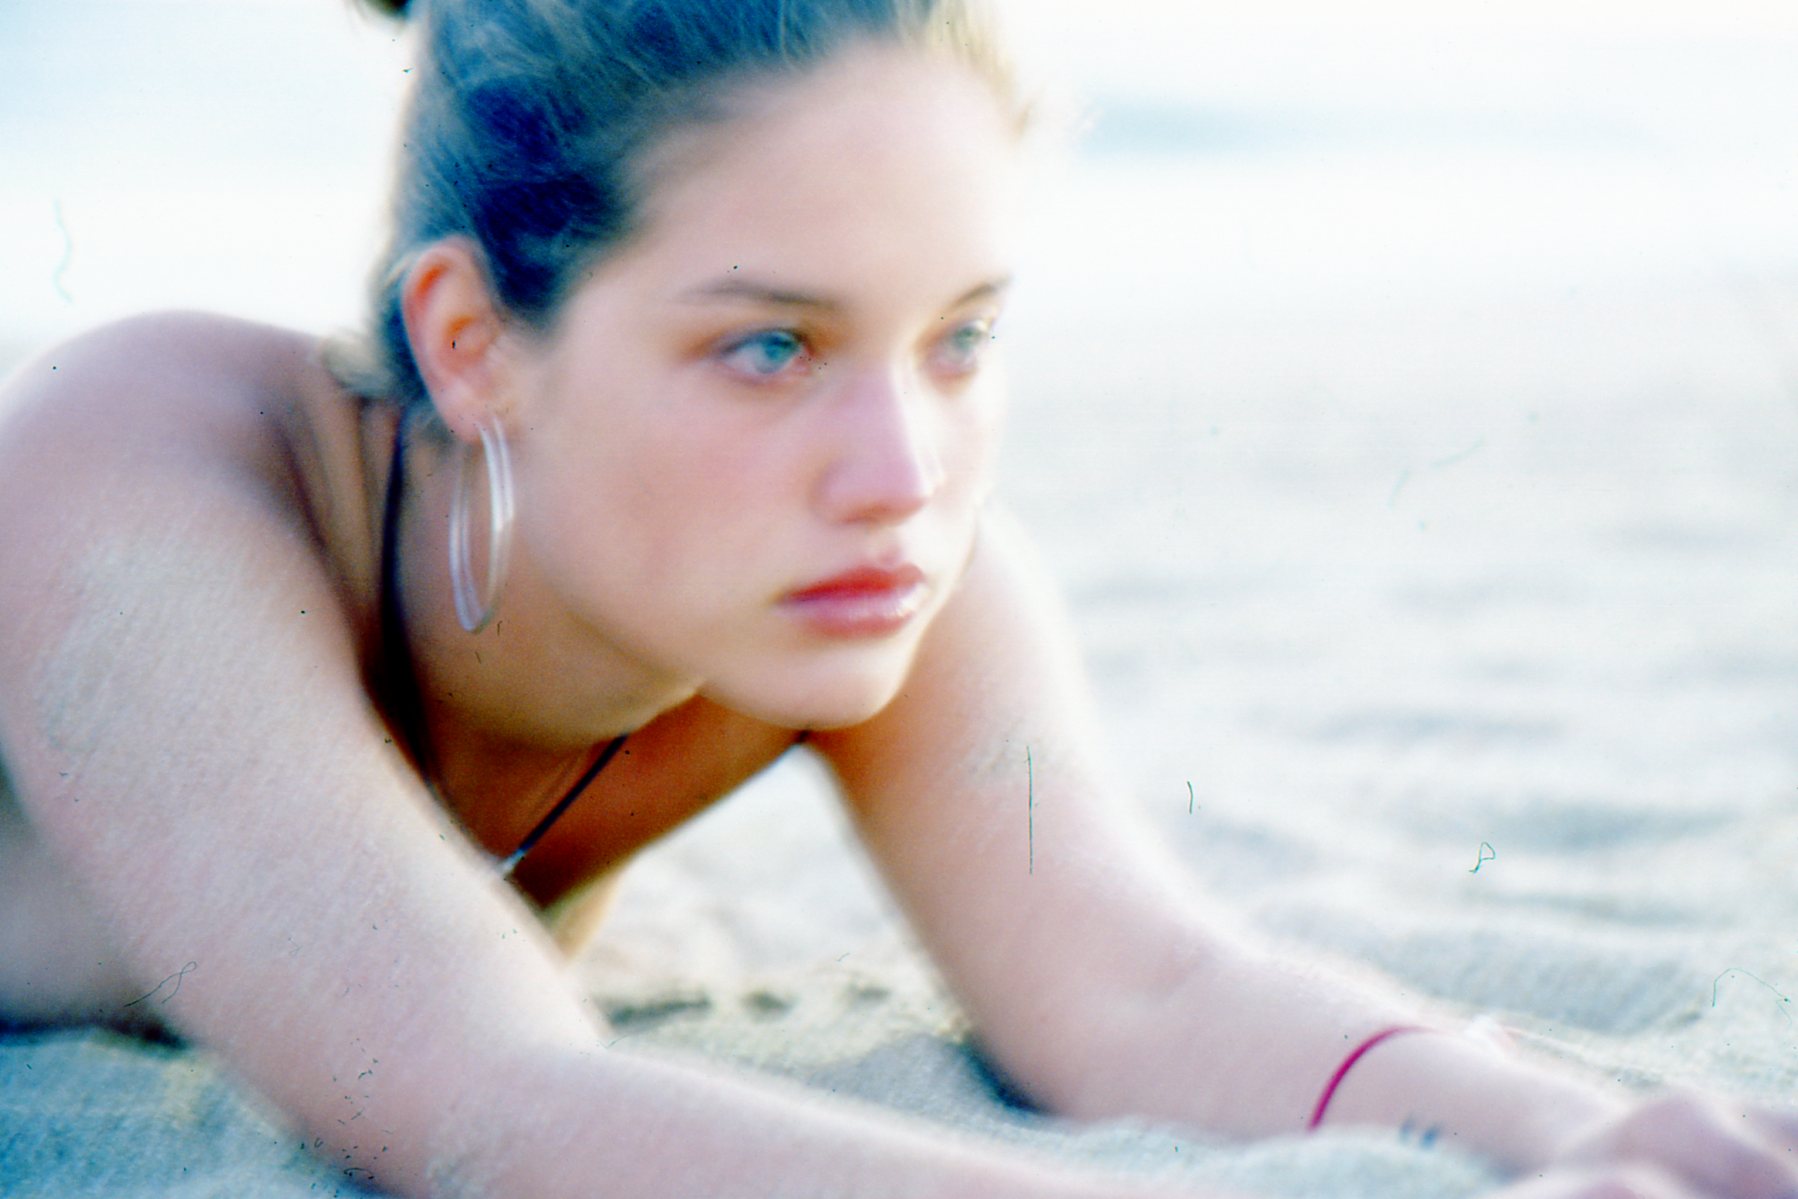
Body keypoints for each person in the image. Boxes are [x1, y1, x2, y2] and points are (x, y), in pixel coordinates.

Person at [0, 1, 1792, 1196]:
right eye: (770, 348)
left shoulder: (850, 561)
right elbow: (488, 1101)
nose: (902, 466)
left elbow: (1143, 991)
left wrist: (1592, 1131)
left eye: (960, 338)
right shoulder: (131, 464)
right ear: (470, 343)